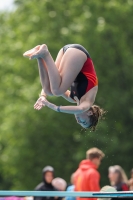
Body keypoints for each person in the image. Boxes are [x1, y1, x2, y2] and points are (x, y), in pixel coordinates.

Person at [23, 44, 105, 130]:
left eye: (80, 123)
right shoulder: (88, 103)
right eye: (84, 122)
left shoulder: (73, 98)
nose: (78, 121)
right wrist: (55, 107)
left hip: (67, 52)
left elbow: (51, 84)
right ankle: (45, 53)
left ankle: (39, 55)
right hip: (78, 54)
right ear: (89, 113)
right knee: (57, 91)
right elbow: (80, 109)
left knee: (49, 91)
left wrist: (43, 96)